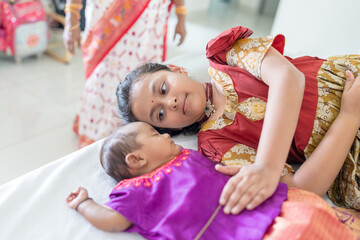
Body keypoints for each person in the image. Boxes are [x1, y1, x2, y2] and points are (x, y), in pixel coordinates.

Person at [115, 26, 360, 214]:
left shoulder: (225, 54)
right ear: (167, 128)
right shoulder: (214, 145)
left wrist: (267, 167)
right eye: (160, 114)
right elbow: (302, 188)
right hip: (349, 148)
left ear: (176, 69)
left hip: (349, 82)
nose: (170, 103)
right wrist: (349, 116)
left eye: (164, 88)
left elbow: (288, 77)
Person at [66, 122, 356, 239]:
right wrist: (84, 203)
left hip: (255, 206)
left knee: (311, 212)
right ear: (136, 161)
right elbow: (113, 220)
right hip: (221, 232)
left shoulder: (185, 156)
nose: (166, 135)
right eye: (155, 135)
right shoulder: (134, 190)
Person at [62, 0, 187, 148]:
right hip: (109, 17)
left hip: (150, 24)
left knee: (147, 84)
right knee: (103, 80)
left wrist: (181, 14)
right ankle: (96, 135)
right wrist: (71, 19)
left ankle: (134, 137)